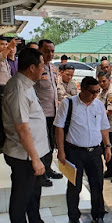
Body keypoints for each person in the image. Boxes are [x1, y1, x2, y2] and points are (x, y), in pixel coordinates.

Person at [54, 76, 111, 223]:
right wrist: (61, 151)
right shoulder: (68, 104)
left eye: (97, 92)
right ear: (82, 89)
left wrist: (108, 146)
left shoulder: (98, 105)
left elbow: (104, 127)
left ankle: (98, 216)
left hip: (95, 152)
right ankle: (73, 217)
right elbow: (59, 128)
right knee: (74, 187)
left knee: (97, 185)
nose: (94, 95)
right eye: (92, 92)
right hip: (74, 153)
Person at [2, 47, 50, 223]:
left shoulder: (27, 85)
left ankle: (36, 221)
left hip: (33, 154)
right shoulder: (18, 90)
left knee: (34, 193)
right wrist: (35, 159)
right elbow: (22, 128)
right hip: (25, 157)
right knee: (21, 199)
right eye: (41, 65)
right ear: (31, 67)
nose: (43, 69)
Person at [35, 39, 62, 187]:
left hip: (53, 113)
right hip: (41, 115)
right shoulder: (36, 68)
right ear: (40, 51)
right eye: (47, 51)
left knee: (51, 143)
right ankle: (42, 174)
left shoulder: (52, 68)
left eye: (52, 51)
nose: (50, 54)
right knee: (42, 145)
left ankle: (48, 168)